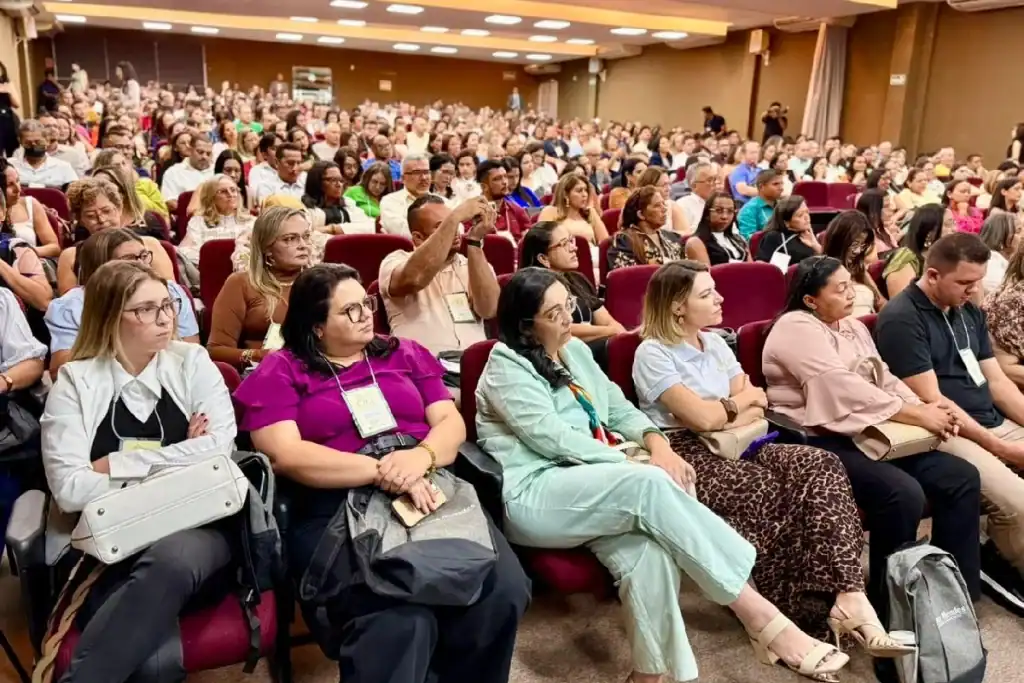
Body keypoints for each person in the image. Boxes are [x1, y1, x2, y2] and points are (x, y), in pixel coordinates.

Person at [476, 267, 849, 683]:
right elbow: (554, 439)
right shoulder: (504, 366)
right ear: (525, 326)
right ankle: (762, 617)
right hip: (540, 490)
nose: (570, 319)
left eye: (570, 306)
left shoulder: (574, 352)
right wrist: (634, 464)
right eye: (555, 313)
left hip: (600, 484)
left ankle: (649, 676)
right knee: (651, 484)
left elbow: (617, 409)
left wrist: (658, 445)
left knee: (649, 557)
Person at [234, 263, 530, 683]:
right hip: (334, 501)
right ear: (316, 326)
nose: (365, 315)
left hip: (429, 484)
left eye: (365, 304)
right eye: (349, 311)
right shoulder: (282, 369)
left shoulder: (403, 353)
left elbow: (450, 422)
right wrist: (384, 471)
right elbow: (285, 454)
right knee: (397, 619)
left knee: (502, 589)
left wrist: (421, 458)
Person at [634, 260, 908, 654]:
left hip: (745, 438)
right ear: (678, 306)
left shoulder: (713, 342)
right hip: (689, 450)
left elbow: (756, 403)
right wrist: (732, 406)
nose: (720, 297)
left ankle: (850, 596)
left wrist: (726, 408)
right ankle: (796, 613)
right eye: (707, 293)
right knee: (766, 488)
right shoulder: (653, 353)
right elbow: (699, 418)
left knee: (821, 466)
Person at [762, 255, 982, 652]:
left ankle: (953, 593)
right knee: (902, 494)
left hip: (875, 428)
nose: (852, 293)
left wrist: (928, 407)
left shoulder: (849, 326)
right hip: (818, 437)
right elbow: (842, 387)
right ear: (811, 300)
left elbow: (884, 376)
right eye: (840, 288)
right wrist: (918, 413)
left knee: (960, 476)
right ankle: (888, 604)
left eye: (851, 284)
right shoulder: (794, 327)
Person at [39, 259, 237, 683]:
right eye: (146, 309)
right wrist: (183, 454)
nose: (166, 319)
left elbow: (219, 452)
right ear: (111, 317)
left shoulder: (192, 362)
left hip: (198, 528)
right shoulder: (75, 382)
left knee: (173, 558)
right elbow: (71, 489)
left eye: (168, 305)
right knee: (152, 661)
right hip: (112, 542)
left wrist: (114, 465)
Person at [877, 233, 1024, 609]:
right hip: (945, 430)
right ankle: (1003, 563)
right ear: (932, 275)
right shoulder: (902, 319)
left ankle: (999, 548)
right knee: (1017, 502)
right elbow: (933, 402)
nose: (974, 290)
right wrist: (1003, 447)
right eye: (964, 282)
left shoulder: (968, 310)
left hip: (987, 420)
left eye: (977, 281)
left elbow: (996, 381)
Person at [47, 228, 199, 377]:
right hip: (102, 382)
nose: (143, 265)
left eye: (144, 256)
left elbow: (191, 350)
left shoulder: (171, 292)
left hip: (169, 376)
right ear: (102, 267)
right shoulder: (69, 306)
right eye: (130, 259)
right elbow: (60, 369)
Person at [379, 196, 499, 363]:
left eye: (456, 224)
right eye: (442, 226)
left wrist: (475, 242)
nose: (455, 230)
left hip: (476, 368)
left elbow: (489, 309)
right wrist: (455, 216)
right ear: (418, 238)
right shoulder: (395, 261)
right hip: (423, 370)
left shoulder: (472, 263)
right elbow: (415, 279)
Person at [208, 206, 311, 369]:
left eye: (306, 236)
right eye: (290, 239)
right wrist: (258, 355)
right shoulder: (240, 283)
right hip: (264, 375)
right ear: (267, 248)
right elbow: (216, 350)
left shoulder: (322, 282)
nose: (303, 245)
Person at [519, 222, 624, 365]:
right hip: (558, 357)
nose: (574, 248)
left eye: (571, 240)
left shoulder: (577, 279)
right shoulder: (533, 289)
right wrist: (610, 331)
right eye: (564, 244)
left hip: (591, 350)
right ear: (544, 258)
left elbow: (606, 320)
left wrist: (622, 335)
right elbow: (561, 328)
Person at [57, 177, 175, 295]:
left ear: (119, 209)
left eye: (106, 211)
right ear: (80, 220)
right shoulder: (70, 257)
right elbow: (70, 306)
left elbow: (171, 294)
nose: (101, 220)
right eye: (91, 216)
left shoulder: (150, 246)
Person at [882, 204, 954, 299]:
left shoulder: (948, 257)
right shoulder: (905, 258)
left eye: (954, 223)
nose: (954, 229)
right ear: (930, 233)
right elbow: (902, 304)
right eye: (948, 225)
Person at [822, 211, 886, 316]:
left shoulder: (857, 267)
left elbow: (881, 303)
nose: (858, 251)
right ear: (840, 240)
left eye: (862, 245)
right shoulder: (824, 271)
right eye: (855, 244)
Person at [606, 186, 684, 272]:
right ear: (641, 215)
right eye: (657, 206)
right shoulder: (624, 241)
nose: (665, 209)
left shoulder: (673, 237)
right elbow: (626, 277)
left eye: (663, 203)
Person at [301, 160, 374, 235]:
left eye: (340, 180)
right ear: (317, 182)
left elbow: (370, 226)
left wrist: (333, 229)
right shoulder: (306, 209)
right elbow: (308, 233)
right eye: (333, 180)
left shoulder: (347, 203)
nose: (339, 185)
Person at [535, 173, 607, 246]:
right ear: (565, 194)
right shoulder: (550, 212)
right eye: (579, 191)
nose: (584, 194)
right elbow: (540, 243)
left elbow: (605, 242)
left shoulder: (590, 212)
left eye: (586, 190)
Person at [755, 195, 821, 269]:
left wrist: (815, 245)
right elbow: (761, 265)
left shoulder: (808, 233)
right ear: (786, 222)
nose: (807, 217)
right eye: (800, 215)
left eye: (807, 212)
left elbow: (826, 263)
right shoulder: (774, 237)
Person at [685, 191, 749, 266]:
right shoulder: (696, 242)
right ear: (707, 214)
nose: (724, 216)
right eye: (719, 210)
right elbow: (705, 274)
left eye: (730, 211)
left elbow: (752, 269)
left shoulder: (739, 240)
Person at [380, 153, 436, 238]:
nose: (424, 178)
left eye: (426, 172)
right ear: (403, 178)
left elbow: (457, 228)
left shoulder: (443, 202)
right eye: (417, 173)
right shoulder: (390, 201)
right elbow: (401, 232)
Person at [474, 159, 531, 243]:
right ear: (484, 187)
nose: (504, 182)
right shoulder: (473, 213)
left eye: (505, 176)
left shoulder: (518, 211)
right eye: (497, 179)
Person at [160, 133, 214, 213]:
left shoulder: (216, 171)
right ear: (190, 150)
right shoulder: (173, 172)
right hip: (186, 219)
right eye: (200, 152)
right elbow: (170, 202)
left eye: (208, 154)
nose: (204, 157)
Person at [979, 212, 1021, 294]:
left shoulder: (1009, 259)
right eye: (1019, 230)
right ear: (1000, 237)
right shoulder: (990, 264)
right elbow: (1005, 293)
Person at [737, 169, 783, 240]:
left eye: (782, 183)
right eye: (776, 184)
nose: (781, 188)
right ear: (761, 187)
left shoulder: (782, 205)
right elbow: (749, 239)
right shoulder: (749, 210)